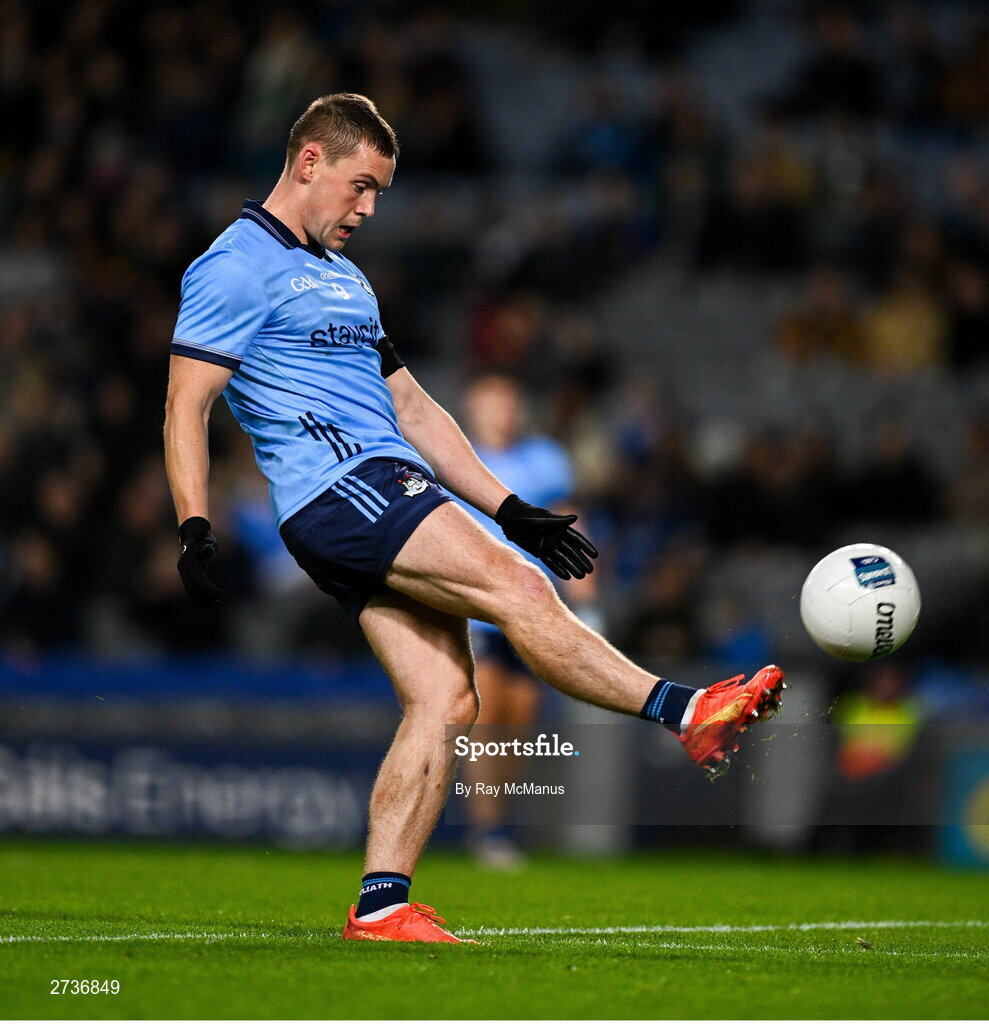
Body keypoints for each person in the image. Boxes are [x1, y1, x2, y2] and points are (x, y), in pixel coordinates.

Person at [164, 93, 785, 944]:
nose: (369, 208)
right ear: (309, 161)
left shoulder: (345, 279)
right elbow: (185, 404)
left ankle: (381, 904)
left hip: (375, 485)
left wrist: (508, 505)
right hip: (342, 487)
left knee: (447, 698)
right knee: (514, 588)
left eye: (379, 192)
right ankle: (686, 710)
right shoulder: (233, 264)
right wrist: (194, 524)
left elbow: (412, 405)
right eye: (360, 186)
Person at [455, 373, 600, 869]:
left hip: (534, 607)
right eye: (492, 404)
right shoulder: (457, 459)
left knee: (521, 720)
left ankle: (501, 825)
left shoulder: (544, 459)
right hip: (478, 607)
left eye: (508, 403)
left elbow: (567, 521)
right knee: (485, 714)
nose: (502, 413)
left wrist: (587, 597)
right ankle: (486, 830)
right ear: (474, 410)